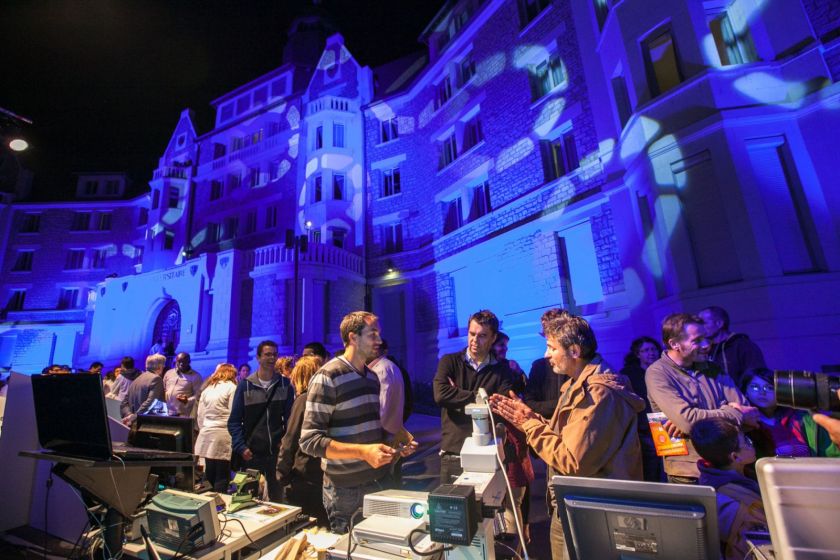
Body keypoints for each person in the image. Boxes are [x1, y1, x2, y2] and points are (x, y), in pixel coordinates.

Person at [490, 314, 644, 560]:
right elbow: (567, 440)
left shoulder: (598, 395)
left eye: (551, 347)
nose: (546, 355)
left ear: (574, 351)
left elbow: (571, 460)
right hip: (571, 504)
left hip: (591, 510)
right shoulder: (575, 385)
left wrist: (528, 423)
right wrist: (533, 417)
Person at [300, 311, 417, 533]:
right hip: (345, 490)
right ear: (353, 338)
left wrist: (394, 442)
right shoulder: (328, 376)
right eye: (373, 334)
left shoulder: (372, 377)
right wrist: (364, 452)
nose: (379, 341)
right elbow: (310, 441)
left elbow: (369, 431)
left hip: (379, 481)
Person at [646, 313, 759, 483]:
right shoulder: (658, 373)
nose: (706, 345)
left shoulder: (711, 367)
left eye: (706, 338)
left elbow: (748, 412)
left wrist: (694, 420)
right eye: (697, 341)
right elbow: (688, 421)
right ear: (674, 344)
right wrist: (732, 411)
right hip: (689, 472)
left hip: (728, 465)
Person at [433, 309, 515, 484]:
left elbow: (499, 406)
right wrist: (482, 397)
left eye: (482, 336)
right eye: (471, 333)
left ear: (493, 338)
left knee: (488, 509)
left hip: (488, 450)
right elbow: (441, 395)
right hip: (454, 451)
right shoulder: (450, 362)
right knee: (452, 509)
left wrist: (458, 396)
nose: (474, 340)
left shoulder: (503, 369)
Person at [691, 417, 767, 560]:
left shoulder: (741, 474)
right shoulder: (726, 497)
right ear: (735, 456)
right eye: (746, 441)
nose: (751, 445)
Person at [228, 340, 293, 502]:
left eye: (274, 354)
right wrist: (241, 447)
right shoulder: (245, 386)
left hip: (275, 454)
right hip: (250, 453)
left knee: (278, 500)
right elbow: (234, 421)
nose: (272, 358)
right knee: (245, 499)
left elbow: (290, 419)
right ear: (258, 357)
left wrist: (284, 442)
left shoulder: (284, 385)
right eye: (267, 354)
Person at [276, 355, 328, 526]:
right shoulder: (327, 399)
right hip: (323, 474)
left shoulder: (303, 400)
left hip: (303, 476)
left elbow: (290, 439)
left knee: (303, 529)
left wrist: (282, 474)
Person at [620, 336, 665, 482]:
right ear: (638, 354)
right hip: (644, 427)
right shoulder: (629, 374)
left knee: (667, 464)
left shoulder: (666, 371)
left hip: (665, 424)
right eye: (646, 350)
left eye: (653, 349)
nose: (651, 353)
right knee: (650, 465)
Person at [741, 367, 809, 459]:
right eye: (755, 387)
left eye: (769, 387)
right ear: (746, 392)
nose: (762, 392)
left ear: (779, 391)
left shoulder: (800, 417)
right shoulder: (745, 423)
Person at [195, 363, 238, 492]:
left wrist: (205, 428)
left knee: (209, 474)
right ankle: (218, 507)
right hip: (223, 435)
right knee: (222, 475)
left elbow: (200, 415)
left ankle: (207, 505)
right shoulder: (232, 387)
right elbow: (233, 413)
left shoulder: (207, 389)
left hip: (206, 434)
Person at [699, 306, 766, 386]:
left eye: (703, 323)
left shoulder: (743, 346)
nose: (699, 327)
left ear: (719, 323)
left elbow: (757, 375)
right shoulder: (706, 350)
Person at [523, 308, 571, 418]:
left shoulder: (578, 366)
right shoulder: (538, 366)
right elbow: (529, 403)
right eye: (546, 331)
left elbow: (574, 403)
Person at [121, 354, 166, 425]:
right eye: (163, 366)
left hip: (135, 424)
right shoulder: (156, 379)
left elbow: (124, 402)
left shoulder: (136, 380)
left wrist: (129, 415)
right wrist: (135, 416)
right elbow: (151, 401)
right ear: (160, 367)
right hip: (149, 424)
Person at [163, 352, 203, 417]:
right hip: (167, 413)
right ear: (176, 361)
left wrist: (187, 401)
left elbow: (199, 395)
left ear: (189, 362)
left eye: (184, 362)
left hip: (183, 415)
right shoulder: (169, 373)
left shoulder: (196, 376)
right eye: (179, 361)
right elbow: (164, 389)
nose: (181, 364)